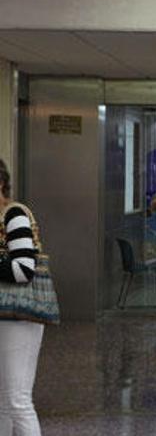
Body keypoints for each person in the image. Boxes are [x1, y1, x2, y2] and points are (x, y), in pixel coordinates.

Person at [0, 158, 43, 435]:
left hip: (20, 316)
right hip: (5, 315)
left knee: (17, 400)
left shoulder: (13, 214)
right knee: (3, 402)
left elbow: (24, 269)